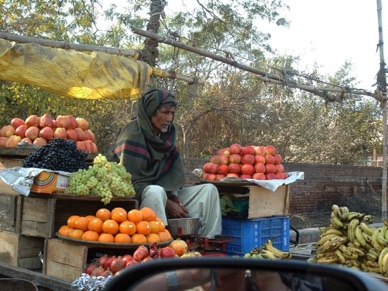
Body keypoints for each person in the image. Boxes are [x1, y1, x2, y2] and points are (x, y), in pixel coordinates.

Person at [108, 88, 222, 239]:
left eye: (172, 113)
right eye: (166, 112)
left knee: (208, 190)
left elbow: (170, 175)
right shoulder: (132, 135)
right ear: (151, 111)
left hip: (162, 196)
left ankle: (208, 242)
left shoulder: (166, 135)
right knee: (156, 192)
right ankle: (160, 244)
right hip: (135, 205)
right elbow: (129, 184)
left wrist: (173, 196)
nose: (170, 118)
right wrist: (167, 202)